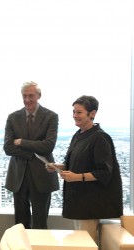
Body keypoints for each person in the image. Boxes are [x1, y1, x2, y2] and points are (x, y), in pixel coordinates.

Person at [47, 95, 123, 244]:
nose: (75, 116)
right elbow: (78, 163)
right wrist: (58, 167)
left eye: (79, 112)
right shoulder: (79, 135)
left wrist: (77, 177)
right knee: (80, 242)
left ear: (92, 114)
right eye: (74, 112)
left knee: (87, 243)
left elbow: (104, 172)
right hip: (78, 201)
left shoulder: (100, 138)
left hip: (90, 203)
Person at [3, 81, 59, 229]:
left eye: (31, 96)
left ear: (39, 96)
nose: (27, 100)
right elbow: (8, 148)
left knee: (40, 223)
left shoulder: (51, 117)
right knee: (20, 224)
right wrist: (34, 152)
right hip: (18, 176)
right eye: (24, 96)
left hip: (42, 175)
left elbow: (48, 146)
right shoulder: (13, 117)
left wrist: (21, 142)